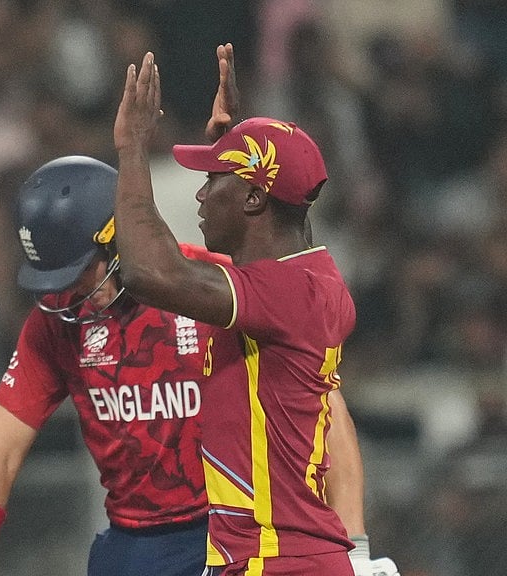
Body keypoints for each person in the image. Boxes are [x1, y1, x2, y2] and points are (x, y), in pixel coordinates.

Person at [111, 51, 387, 575]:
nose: (198, 193)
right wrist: (231, 149)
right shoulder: (304, 281)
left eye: (213, 180)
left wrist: (131, 149)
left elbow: (148, 271)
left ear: (255, 200)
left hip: (277, 559)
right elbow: (204, 272)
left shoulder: (285, 293)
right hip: (274, 557)